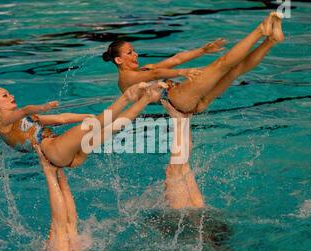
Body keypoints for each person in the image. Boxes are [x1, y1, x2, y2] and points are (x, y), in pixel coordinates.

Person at [103, 11, 284, 209]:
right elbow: (159, 72)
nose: (135, 54)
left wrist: (202, 51)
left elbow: (175, 59)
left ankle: (270, 41)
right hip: (179, 99)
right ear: (118, 60)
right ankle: (260, 31)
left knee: (233, 70)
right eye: (129, 52)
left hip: (187, 105)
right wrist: (181, 73)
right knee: (223, 64)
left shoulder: (141, 70)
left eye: (134, 50)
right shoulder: (126, 79)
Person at [0, 81, 168, 251]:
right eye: (5, 95)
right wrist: (45, 107)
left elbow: (61, 118)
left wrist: (84, 116)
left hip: (66, 156)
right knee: (99, 123)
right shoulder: (2, 120)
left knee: (112, 126)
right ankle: (128, 96)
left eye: (9, 93)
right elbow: (24, 110)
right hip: (54, 150)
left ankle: (146, 99)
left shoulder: (28, 119)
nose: (11, 96)